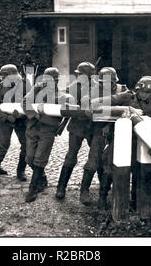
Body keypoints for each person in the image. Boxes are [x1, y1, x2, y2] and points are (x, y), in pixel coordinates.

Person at [95, 76, 151, 210]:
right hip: (120, 139)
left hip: (139, 142)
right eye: (142, 92)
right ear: (137, 90)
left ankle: (135, 200)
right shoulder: (126, 97)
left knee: (138, 171)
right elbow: (98, 103)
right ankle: (102, 197)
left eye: (148, 92)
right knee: (109, 168)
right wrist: (126, 109)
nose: (144, 95)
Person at [22, 67, 74, 202]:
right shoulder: (36, 90)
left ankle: (32, 189)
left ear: (57, 81)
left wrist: (62, 125)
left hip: (48, 130)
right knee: (29, 158)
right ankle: (42, 177)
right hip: (33, 127)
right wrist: (35, 116)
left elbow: (70, 111)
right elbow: (24, 102)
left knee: (40, 158)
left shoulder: (62, 96)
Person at [80, 67, 127, 206]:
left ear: (114, 81)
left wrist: (110, 126)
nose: (106, 85)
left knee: (109, 165)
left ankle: (103, 195)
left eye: (109, 82)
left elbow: (128, 109)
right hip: (98, 130)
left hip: (116, 132)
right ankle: (84, 190)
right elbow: (89, 104)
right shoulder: (95, 90)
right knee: (93, 162)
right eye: (103, 83)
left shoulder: (122, 90)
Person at [55, 61, 96, 200]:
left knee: (96, 157)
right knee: (71, 156)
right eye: (78, 74)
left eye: (82, 75)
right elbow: (64, 103)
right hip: (77, 126)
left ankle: (89, 190)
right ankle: (61, 187)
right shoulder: (73, 87)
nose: (79, 77)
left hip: (93, 127)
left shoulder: (98, 87)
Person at [0, 64, 28, 191]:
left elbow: (32, 103)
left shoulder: (26, 86)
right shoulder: (0, 88)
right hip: (5, 120)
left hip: (22, 120)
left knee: (27, 145)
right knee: (1, 146)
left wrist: (22, 114)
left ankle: (20, 171)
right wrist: (6, 117)